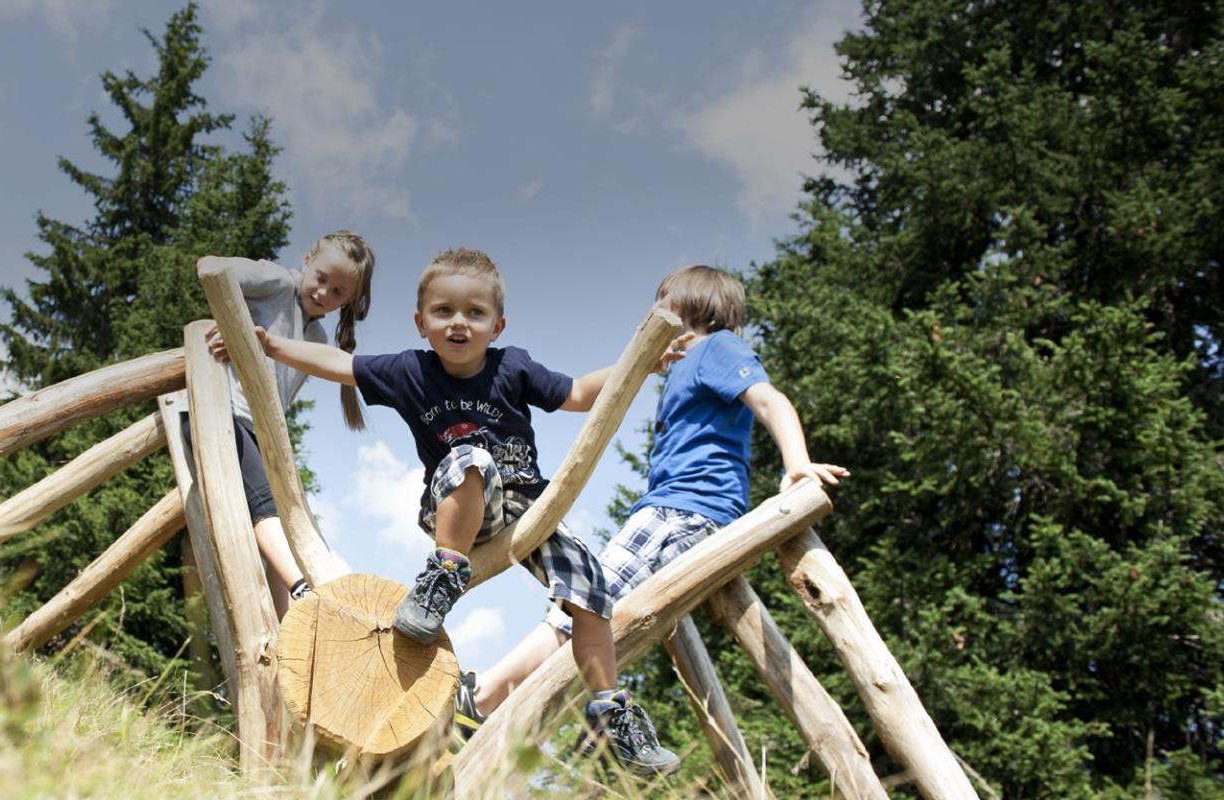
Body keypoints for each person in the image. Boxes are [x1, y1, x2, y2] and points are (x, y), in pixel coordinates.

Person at [211, 247, 677, 774]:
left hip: (526, 509)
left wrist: (637, 365)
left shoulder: (514, 367)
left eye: (474, 313)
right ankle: (444, 573)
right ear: (421, 322)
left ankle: (613, 712)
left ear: (496, 325)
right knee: (469, 458)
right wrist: (271, 344)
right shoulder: (412, 371)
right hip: (453, 507)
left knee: (592, 594)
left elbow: (576, 393)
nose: (459, 323)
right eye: (444, 312)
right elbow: (340, 365)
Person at [452, 264, 849, 774]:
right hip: (675, 510)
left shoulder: (716, 348)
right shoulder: (686, 366)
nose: (652, 316)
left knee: (582, 599)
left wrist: (796, 464)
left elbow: (769, 399)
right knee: (597, 611)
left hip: (681, 511)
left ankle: (482, 697)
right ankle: (532, 717)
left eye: (662, 304)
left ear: (690, 308)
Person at [198, 230, 375, 619]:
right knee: (266, 510)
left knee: (281, 523)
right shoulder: (276, 282)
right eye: (322, 278)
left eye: (338, 292)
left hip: (259, 430)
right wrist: (233, 327)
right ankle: (304, 592)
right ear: (308, 259)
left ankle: (287, 628)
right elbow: (211, 269)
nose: (324, 293)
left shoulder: (316, 335)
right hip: (224, 413)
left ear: (348, 301)